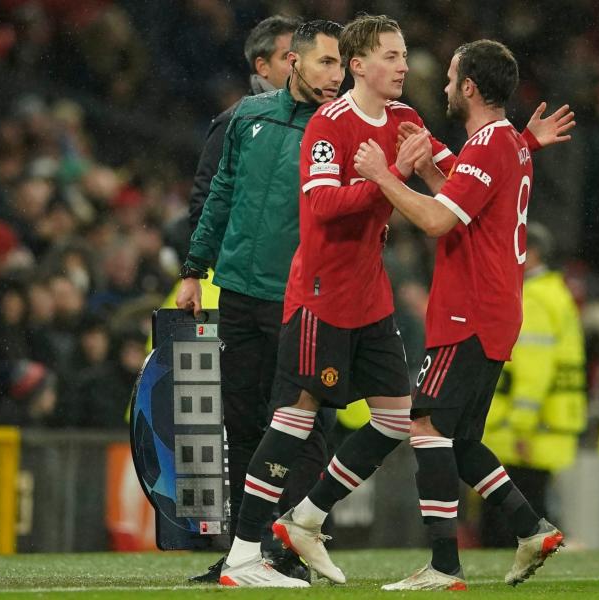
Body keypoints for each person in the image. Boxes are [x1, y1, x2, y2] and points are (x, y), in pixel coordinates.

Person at [214, 15, 575, 589]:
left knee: (395, 418)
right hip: (322, 293)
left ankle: (306, 520)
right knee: (295, 417)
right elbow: (324, 207)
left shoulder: (407, 119)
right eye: (391, 54)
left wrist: (516, 144)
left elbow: (459, 177)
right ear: (361, 65)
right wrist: (385, 178)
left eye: (405, 54)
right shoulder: (329, 125)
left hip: (371, 298)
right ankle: (242, 554)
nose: (405, 65)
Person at [351, 39, 574, 591]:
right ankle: (530, 528)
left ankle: (444, 565)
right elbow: (466, 199)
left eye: (452, 78)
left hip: (469, 311)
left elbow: (437, 221)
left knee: (425, 424)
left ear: (470, 87)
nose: (446, 86)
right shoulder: (505, 143)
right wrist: (431, 164)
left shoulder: (492, 144)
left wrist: (384, 176)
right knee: (462, 439)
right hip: (494, 308)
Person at [175, 19, 345, 583]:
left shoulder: (340, 128)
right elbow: (217, 196)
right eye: (326, 62)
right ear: (293, 63)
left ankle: (293, 544)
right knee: (242, 423)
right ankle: (246, 551)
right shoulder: (246, 117)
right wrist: (194, 270)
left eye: (341, 64)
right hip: (241, 294)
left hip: (300, 299)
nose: (336, 75)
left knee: (300, 424)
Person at [481, 222, 586, 547]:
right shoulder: (555, 293)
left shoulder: (534, 298)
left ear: (533, 253)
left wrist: (522, 426)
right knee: (529, 509)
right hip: (544, 424)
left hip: (522, 431)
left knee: (505, 524)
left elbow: (532, 368)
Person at [187, 15, 301, 233]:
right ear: (263, 66)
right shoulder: (233, 123)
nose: (298, 65)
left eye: (302, 55)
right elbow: (204, 210)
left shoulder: (317, 121)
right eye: (287, 56)